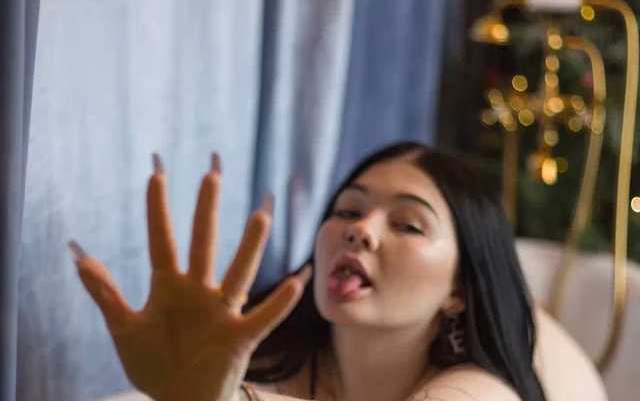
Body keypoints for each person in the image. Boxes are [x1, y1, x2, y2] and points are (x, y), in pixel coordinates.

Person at [71, 142, 608, 401]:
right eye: (348, 210)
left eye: (409, 225)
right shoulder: (273, 355)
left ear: (460, 290)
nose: (361, 230)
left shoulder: (480, 392)